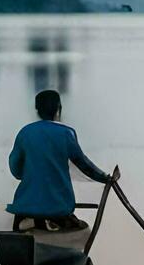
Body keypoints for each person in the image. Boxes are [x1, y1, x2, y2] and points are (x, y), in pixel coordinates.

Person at [7, 89, 112, 232]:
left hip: (24, 208)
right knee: (83, 231)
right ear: (58, 110)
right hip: (57, 209)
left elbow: (15, 169)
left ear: (37, 110)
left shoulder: (25, 132)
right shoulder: (66, 133)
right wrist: (105, 178)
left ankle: (32, 226)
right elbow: (84, 165)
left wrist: (29, 173)